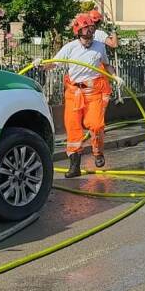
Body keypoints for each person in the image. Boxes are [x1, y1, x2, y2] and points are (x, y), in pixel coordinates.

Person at [34, 14, 116, 177]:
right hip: (74, 94)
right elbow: (54, 63)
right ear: (79, 34)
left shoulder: (99, 46)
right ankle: (75, 166)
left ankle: (98, 152)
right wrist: (41, 64)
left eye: (91, 34)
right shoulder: (70, 48)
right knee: (73, 129)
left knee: (96, 124)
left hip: (93, 93)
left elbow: (106, 65)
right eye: (86, 35)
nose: (89, 39)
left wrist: (114, 76)